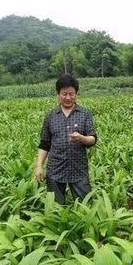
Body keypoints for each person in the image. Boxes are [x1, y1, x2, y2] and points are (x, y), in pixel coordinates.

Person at [35, 74, 97, 204]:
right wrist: (39, 166)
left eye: (71, 94)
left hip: (78, 169)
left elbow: (93, 139)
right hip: (55, 169)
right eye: (64, 94)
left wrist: (81, 138)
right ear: (57, 94)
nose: (68, 97)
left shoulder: (85, 114)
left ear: (76, 94)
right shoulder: (50, 116)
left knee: (85, 206)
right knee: (55, 208)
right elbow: (44, 144)